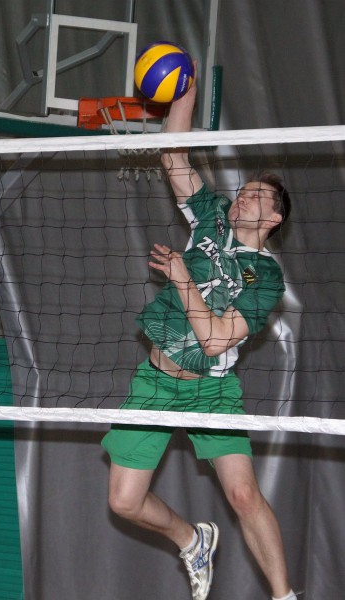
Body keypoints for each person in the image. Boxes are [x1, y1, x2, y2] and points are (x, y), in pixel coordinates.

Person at [101, 72, 296, 600]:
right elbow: (173, 156)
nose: (243, 197)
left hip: (211, 389)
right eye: (243, 190)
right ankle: (192, 540)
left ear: (274, 217)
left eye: (256, 196)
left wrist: (183, 278)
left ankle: (284, 595)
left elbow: (214, 342)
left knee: (243, 495)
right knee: (123, 501)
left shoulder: (266, 278)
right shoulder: (211, 218)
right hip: (156, 381)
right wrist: (182, 94)